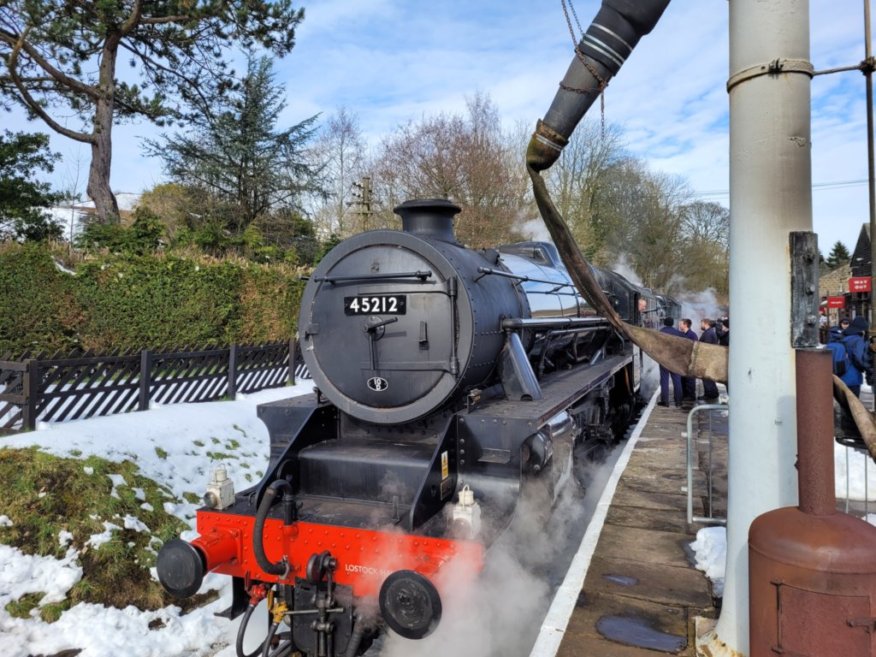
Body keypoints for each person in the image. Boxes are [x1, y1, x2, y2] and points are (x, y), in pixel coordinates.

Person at [840, 316, 872, 397]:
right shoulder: (858, 340)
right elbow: (859, 358)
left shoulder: (844, 337)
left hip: (841, 375)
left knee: (844, 405)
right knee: (853, 404)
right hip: (853, 377)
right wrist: (867, 367)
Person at [657, 317, 684, 407]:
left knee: (664, 380)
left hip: (664, 359)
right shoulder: (678, 333)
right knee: (677, 380)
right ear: (673, 323)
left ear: (664, 323)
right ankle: (678, 401)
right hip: (675, 359)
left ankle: (665, 401)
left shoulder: (661, 332)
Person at [698, 318, 720, 401]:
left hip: (707, 359)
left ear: (706, 323)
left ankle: (710, 394)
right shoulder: (710, 332)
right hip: (709, 359)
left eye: (702, 323)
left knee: (707, 378)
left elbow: (706, 347)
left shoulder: (708, 333)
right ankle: (711, 393)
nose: (701, 325)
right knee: (708, 378)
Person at [679, 318, 698, 402]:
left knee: (690, 378)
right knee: (683, 378)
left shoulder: (692, 335)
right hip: (683, 360)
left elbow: (695, 348)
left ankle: (691, 395)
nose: (679, 325)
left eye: (681, 324)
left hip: (689, 359)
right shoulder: (682, 334)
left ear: (685, 325)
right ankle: (685, 394)